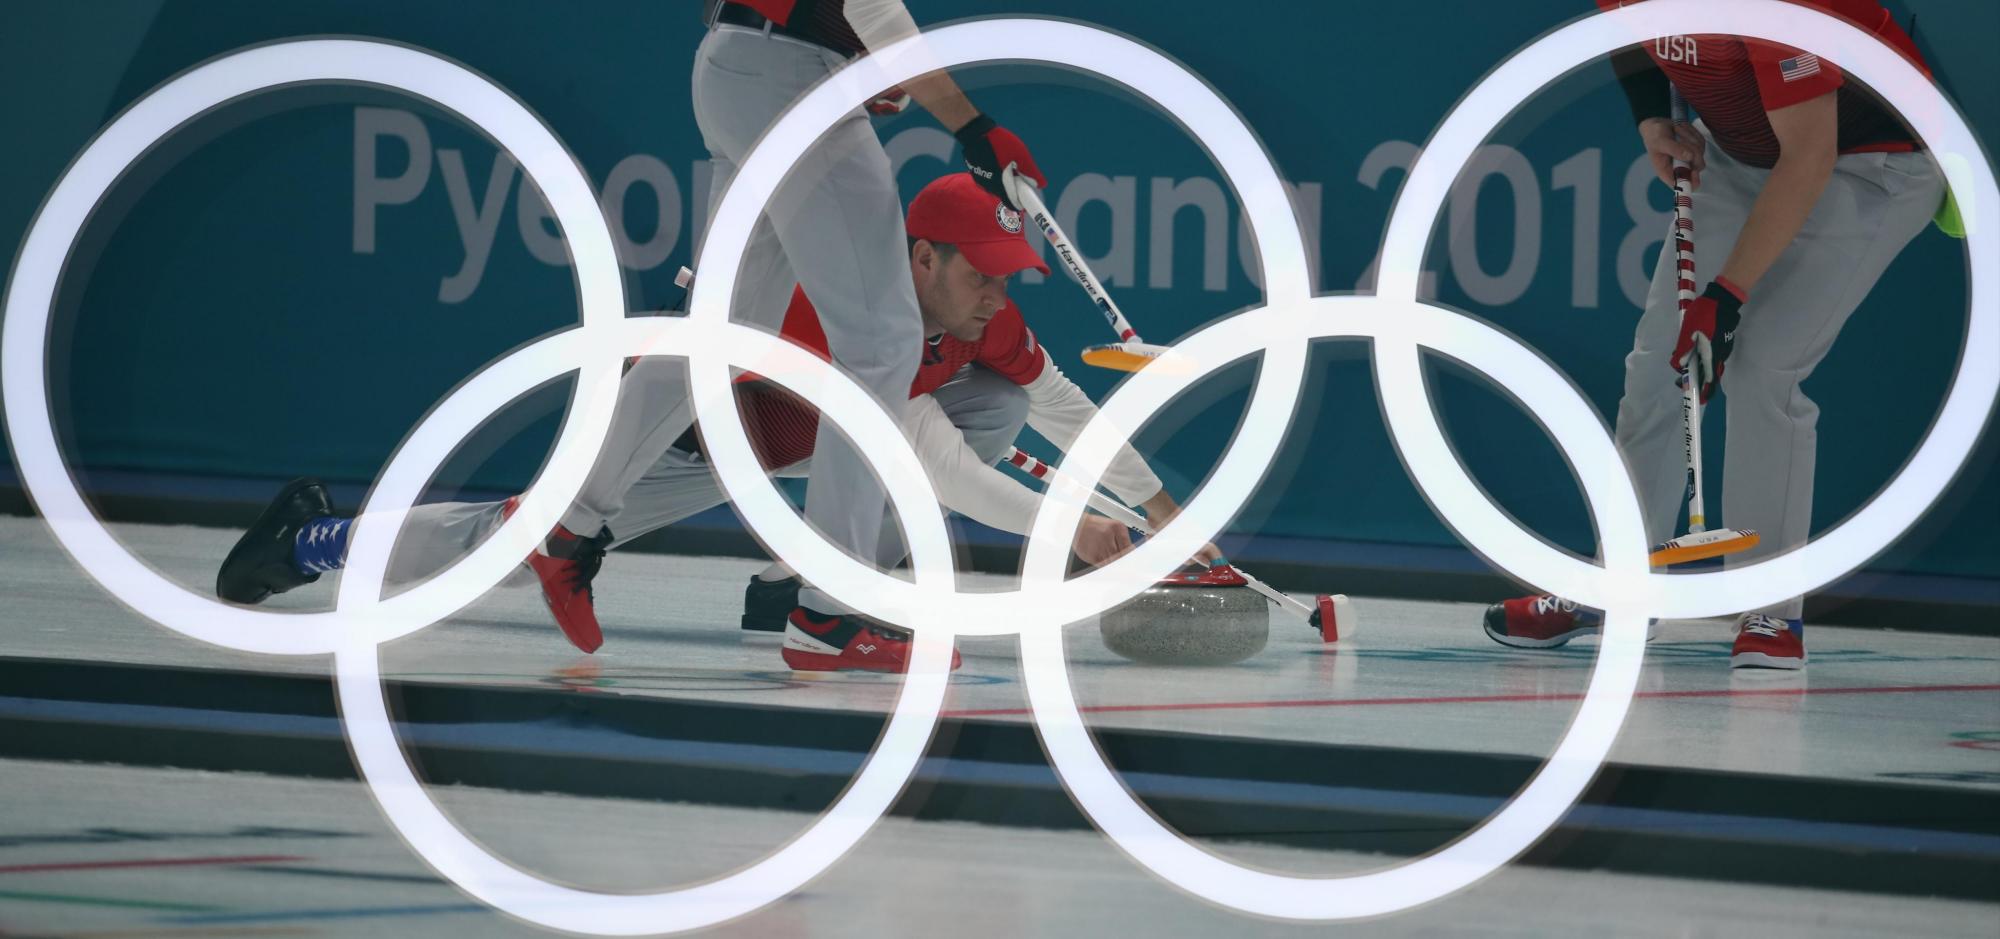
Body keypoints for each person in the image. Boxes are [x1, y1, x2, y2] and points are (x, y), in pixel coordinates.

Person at [217, 173, 1215, 674]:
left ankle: (809, 588)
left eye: (1008, 280)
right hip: (693, 423)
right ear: (919, 261)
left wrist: (1163, 510)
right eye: (984, 276)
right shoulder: (858, 308)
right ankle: (307, 539)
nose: (1001, 298)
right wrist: (1076, 529)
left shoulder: (976, 316)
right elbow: (934, 465)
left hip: (785, 443)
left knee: (997, 402)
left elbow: (1059, 406)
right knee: (510, 539)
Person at [1483, 0, 1944, 669]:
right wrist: (1651, 119)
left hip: (1872, 164)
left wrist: (1727, 293)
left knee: (1764, 366)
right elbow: (1627, 34)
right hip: (1740, 154)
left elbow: (1810, 156)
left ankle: (1770, 607)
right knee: (1657, 369)